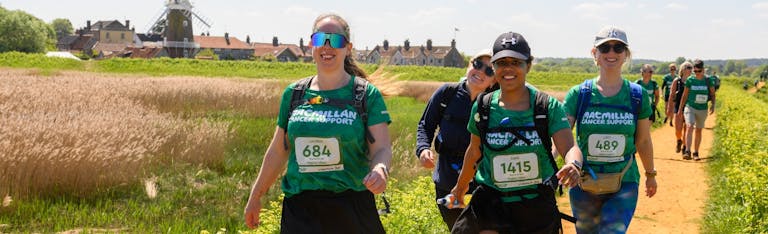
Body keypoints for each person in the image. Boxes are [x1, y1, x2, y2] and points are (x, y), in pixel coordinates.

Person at [243, 13, 392, 233]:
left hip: (351, 208)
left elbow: (381, 148)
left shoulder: (365, 94)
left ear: (348, 48)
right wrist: (255, 196)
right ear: (312, 44)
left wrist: (380, 170)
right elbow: (278, 150)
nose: (327, 46)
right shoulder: (294, 94)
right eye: (321, 39)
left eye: (336, 40)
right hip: (300, 212)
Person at [450, 32, 584, 234]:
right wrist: (460, 188)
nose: (508, 68)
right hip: (491, 203)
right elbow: (474, 151)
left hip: (535, 205)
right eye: (501, 62)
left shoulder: (547, 107)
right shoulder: (483, 107)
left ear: (528, 65)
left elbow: (570, 147)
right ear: (494, 67)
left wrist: (573, 164)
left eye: (516, 62)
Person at [563, 26, 657, 233]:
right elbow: (562, 137)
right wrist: (551, 169)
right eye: (604, 48)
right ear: (594, 54)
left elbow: (642, 141)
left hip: (624, 181)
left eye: (618, 48)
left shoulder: (637, 95)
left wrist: (650, 174)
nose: (611, 53)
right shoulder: (578, 94)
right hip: (584, 182)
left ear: (626, 55)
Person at [415, 49, 497, 230]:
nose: (481, 72)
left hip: (482, 182)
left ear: (494, 80)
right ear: (469, 65)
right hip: (447, 180)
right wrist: (422, 149)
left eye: (490, 71)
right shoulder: (447, 94)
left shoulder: (496, 105)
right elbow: (425, 125)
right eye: (477, 64)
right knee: (457, 229)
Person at [676, 59, 715, 161]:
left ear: (703, 70)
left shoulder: (708, 80)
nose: (697, 73)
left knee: (698, 130)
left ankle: (696, 152)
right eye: (695, 71)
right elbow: (684, 95)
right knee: (689, 126)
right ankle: (687, 151)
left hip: (702, 109)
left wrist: (713, 105)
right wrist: (680, 109)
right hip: (690, 107)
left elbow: (712, 93)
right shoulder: (690, 80)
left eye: (699, 71)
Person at [668, 61, 692, 156]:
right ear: (683, 69)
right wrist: (669, 108)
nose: (690, 69)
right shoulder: (677, 81)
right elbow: (672, 95)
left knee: (687, 128)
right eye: (687, 67)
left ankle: (685, 148)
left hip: (689, 107)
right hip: (678, 107)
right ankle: (679, 140)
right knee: (678, 128)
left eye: (691, 67)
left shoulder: (692, 81)